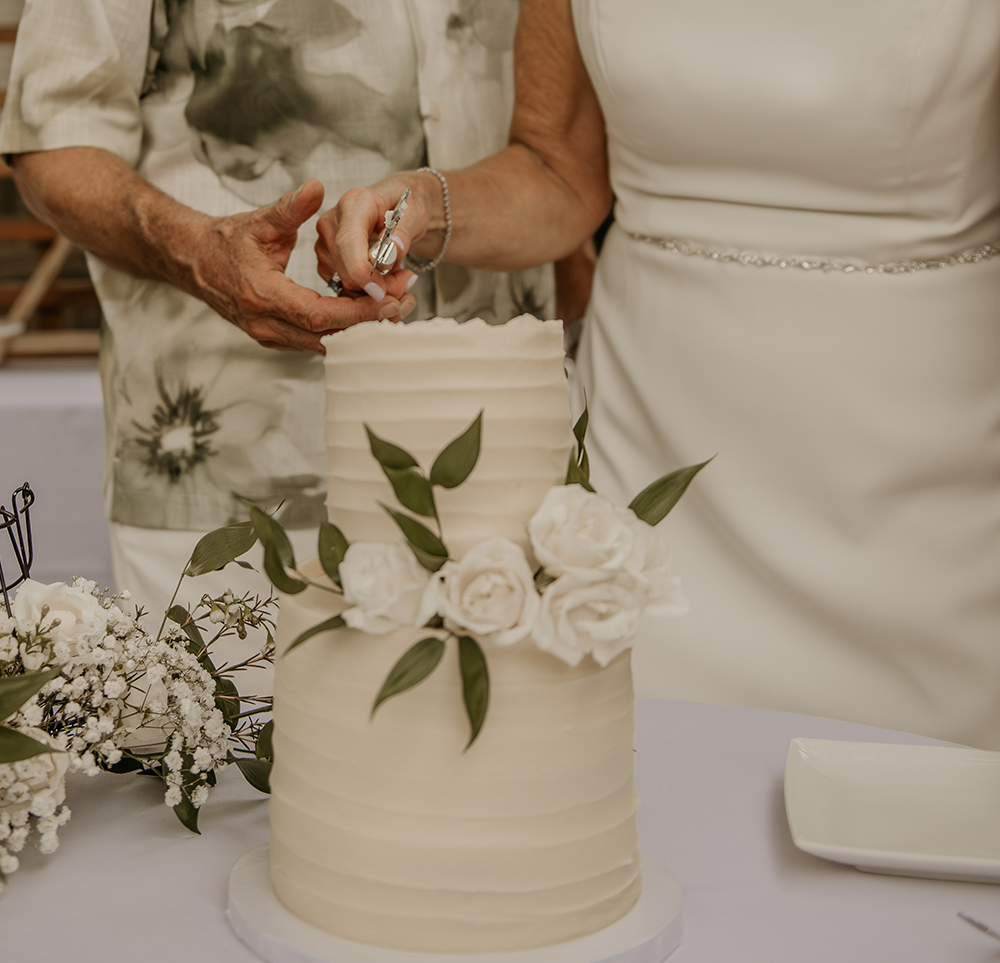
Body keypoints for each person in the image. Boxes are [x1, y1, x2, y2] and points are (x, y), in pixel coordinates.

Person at [318, 0, 1000, 748]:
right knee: (645, 800)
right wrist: (425, 208)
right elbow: (560, 175)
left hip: (920, 483)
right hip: (654, 459)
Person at [0, 0, 590, 620]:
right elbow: (55, 137)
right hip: (237, 461)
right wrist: (201, 252)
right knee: (232, 713)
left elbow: (561, 149)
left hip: (504, 449)